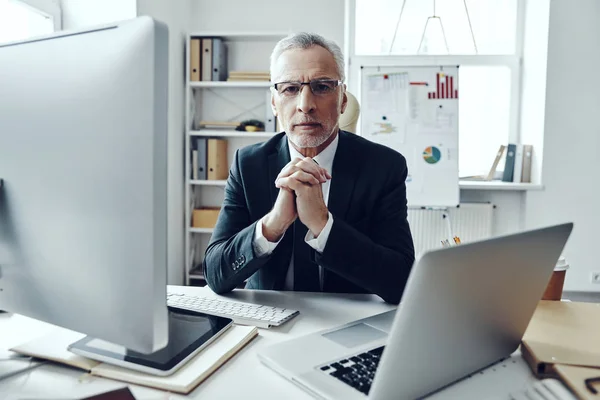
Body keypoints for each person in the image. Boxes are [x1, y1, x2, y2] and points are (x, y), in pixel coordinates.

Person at [203, 32, 414, 304]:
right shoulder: (248, 165)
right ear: (274, 103)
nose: (305, 105)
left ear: (343, 100)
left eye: (322, 86)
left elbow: (402, 282)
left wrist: (323, 225)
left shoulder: (384, 167)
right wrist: (272, 225)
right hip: (267, 326)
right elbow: (215, 274)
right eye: (290, 89)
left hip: (349, 328)